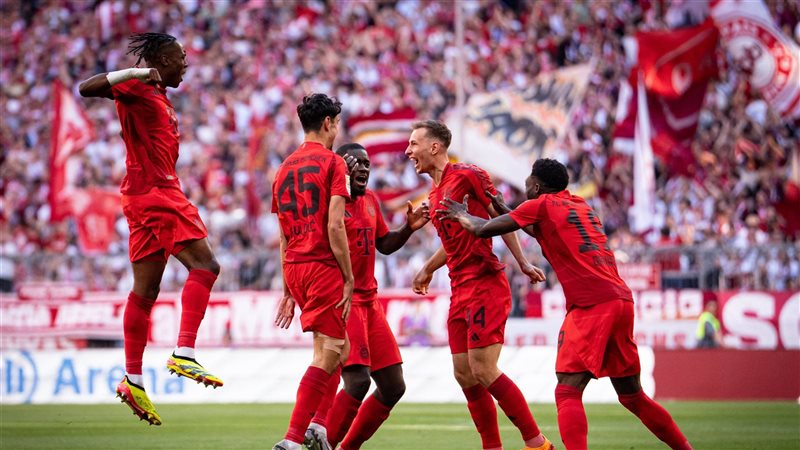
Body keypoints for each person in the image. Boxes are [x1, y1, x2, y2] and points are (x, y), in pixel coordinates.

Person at [437, 158, 693, 450]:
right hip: (621, 300)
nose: (525, 187)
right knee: (633, 396)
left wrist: (461, 214)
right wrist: (507, 209)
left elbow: (482, 229)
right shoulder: (581, 205)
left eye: (528, 183)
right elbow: (539, 227)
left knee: (567, 391)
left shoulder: (540, 205)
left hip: (591, 304)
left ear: (536, 187)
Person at [79, 33, 222, 426]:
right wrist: (137, 73)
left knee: (145, 293)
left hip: (140, 195)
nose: (186, 64)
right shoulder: (139, 87)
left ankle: (133, 379)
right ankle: (184, 352)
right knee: (206, 267)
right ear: (163, 60)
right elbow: (86, 87)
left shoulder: (159, 96)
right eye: (181, 57)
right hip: (157, 192)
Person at [405, 120, 553, 450]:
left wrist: (522, 261)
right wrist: (427, 269)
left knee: (483, 369)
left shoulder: (468, 174)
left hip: (485, 282)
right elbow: (454, 242)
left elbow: (502, 217)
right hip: (459, 289)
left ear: (434, 147)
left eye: (414, 144)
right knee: (463, 373)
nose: (407, 151)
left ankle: (538, 444)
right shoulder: (434, 193)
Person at [277, 143, 430, 450]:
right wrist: (290, 291)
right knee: (357, 380)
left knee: (393, 386)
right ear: (341, 168)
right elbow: (296, 241)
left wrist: (408, 229)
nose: (363, 168)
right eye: (355, 163)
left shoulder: (370, 200)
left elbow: (384, 244)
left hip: (370, 302)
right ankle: (323, 441)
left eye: (367, 163)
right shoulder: (328, 203)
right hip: (342, 298)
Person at [271, 93, 354, 450]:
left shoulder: (283, 168)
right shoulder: (334, 163)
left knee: (341, 350)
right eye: (337, 124)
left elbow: (282, 235)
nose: (338, 130)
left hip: (295, 266)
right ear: (327, 123)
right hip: (321, 265)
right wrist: (348, 276)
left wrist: (288, 290)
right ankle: (292, 439)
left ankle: (318, 426)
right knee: (329, 351)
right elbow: (335, 225)